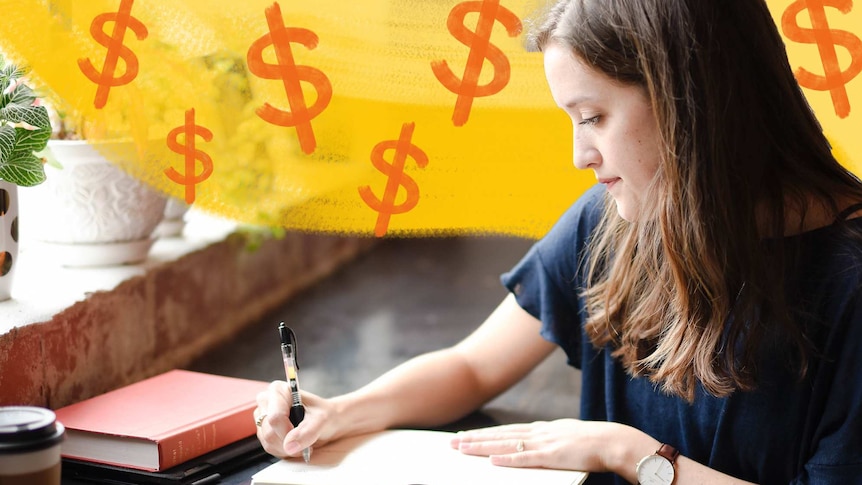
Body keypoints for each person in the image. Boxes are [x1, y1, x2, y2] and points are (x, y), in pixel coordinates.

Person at [255, 0, 862, 483]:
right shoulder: (613, 219)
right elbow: (472, 366)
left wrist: (632, 454)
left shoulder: (850, 282)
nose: (579, 156)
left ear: (693, 103)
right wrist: (340, 412)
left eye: (593, 116)